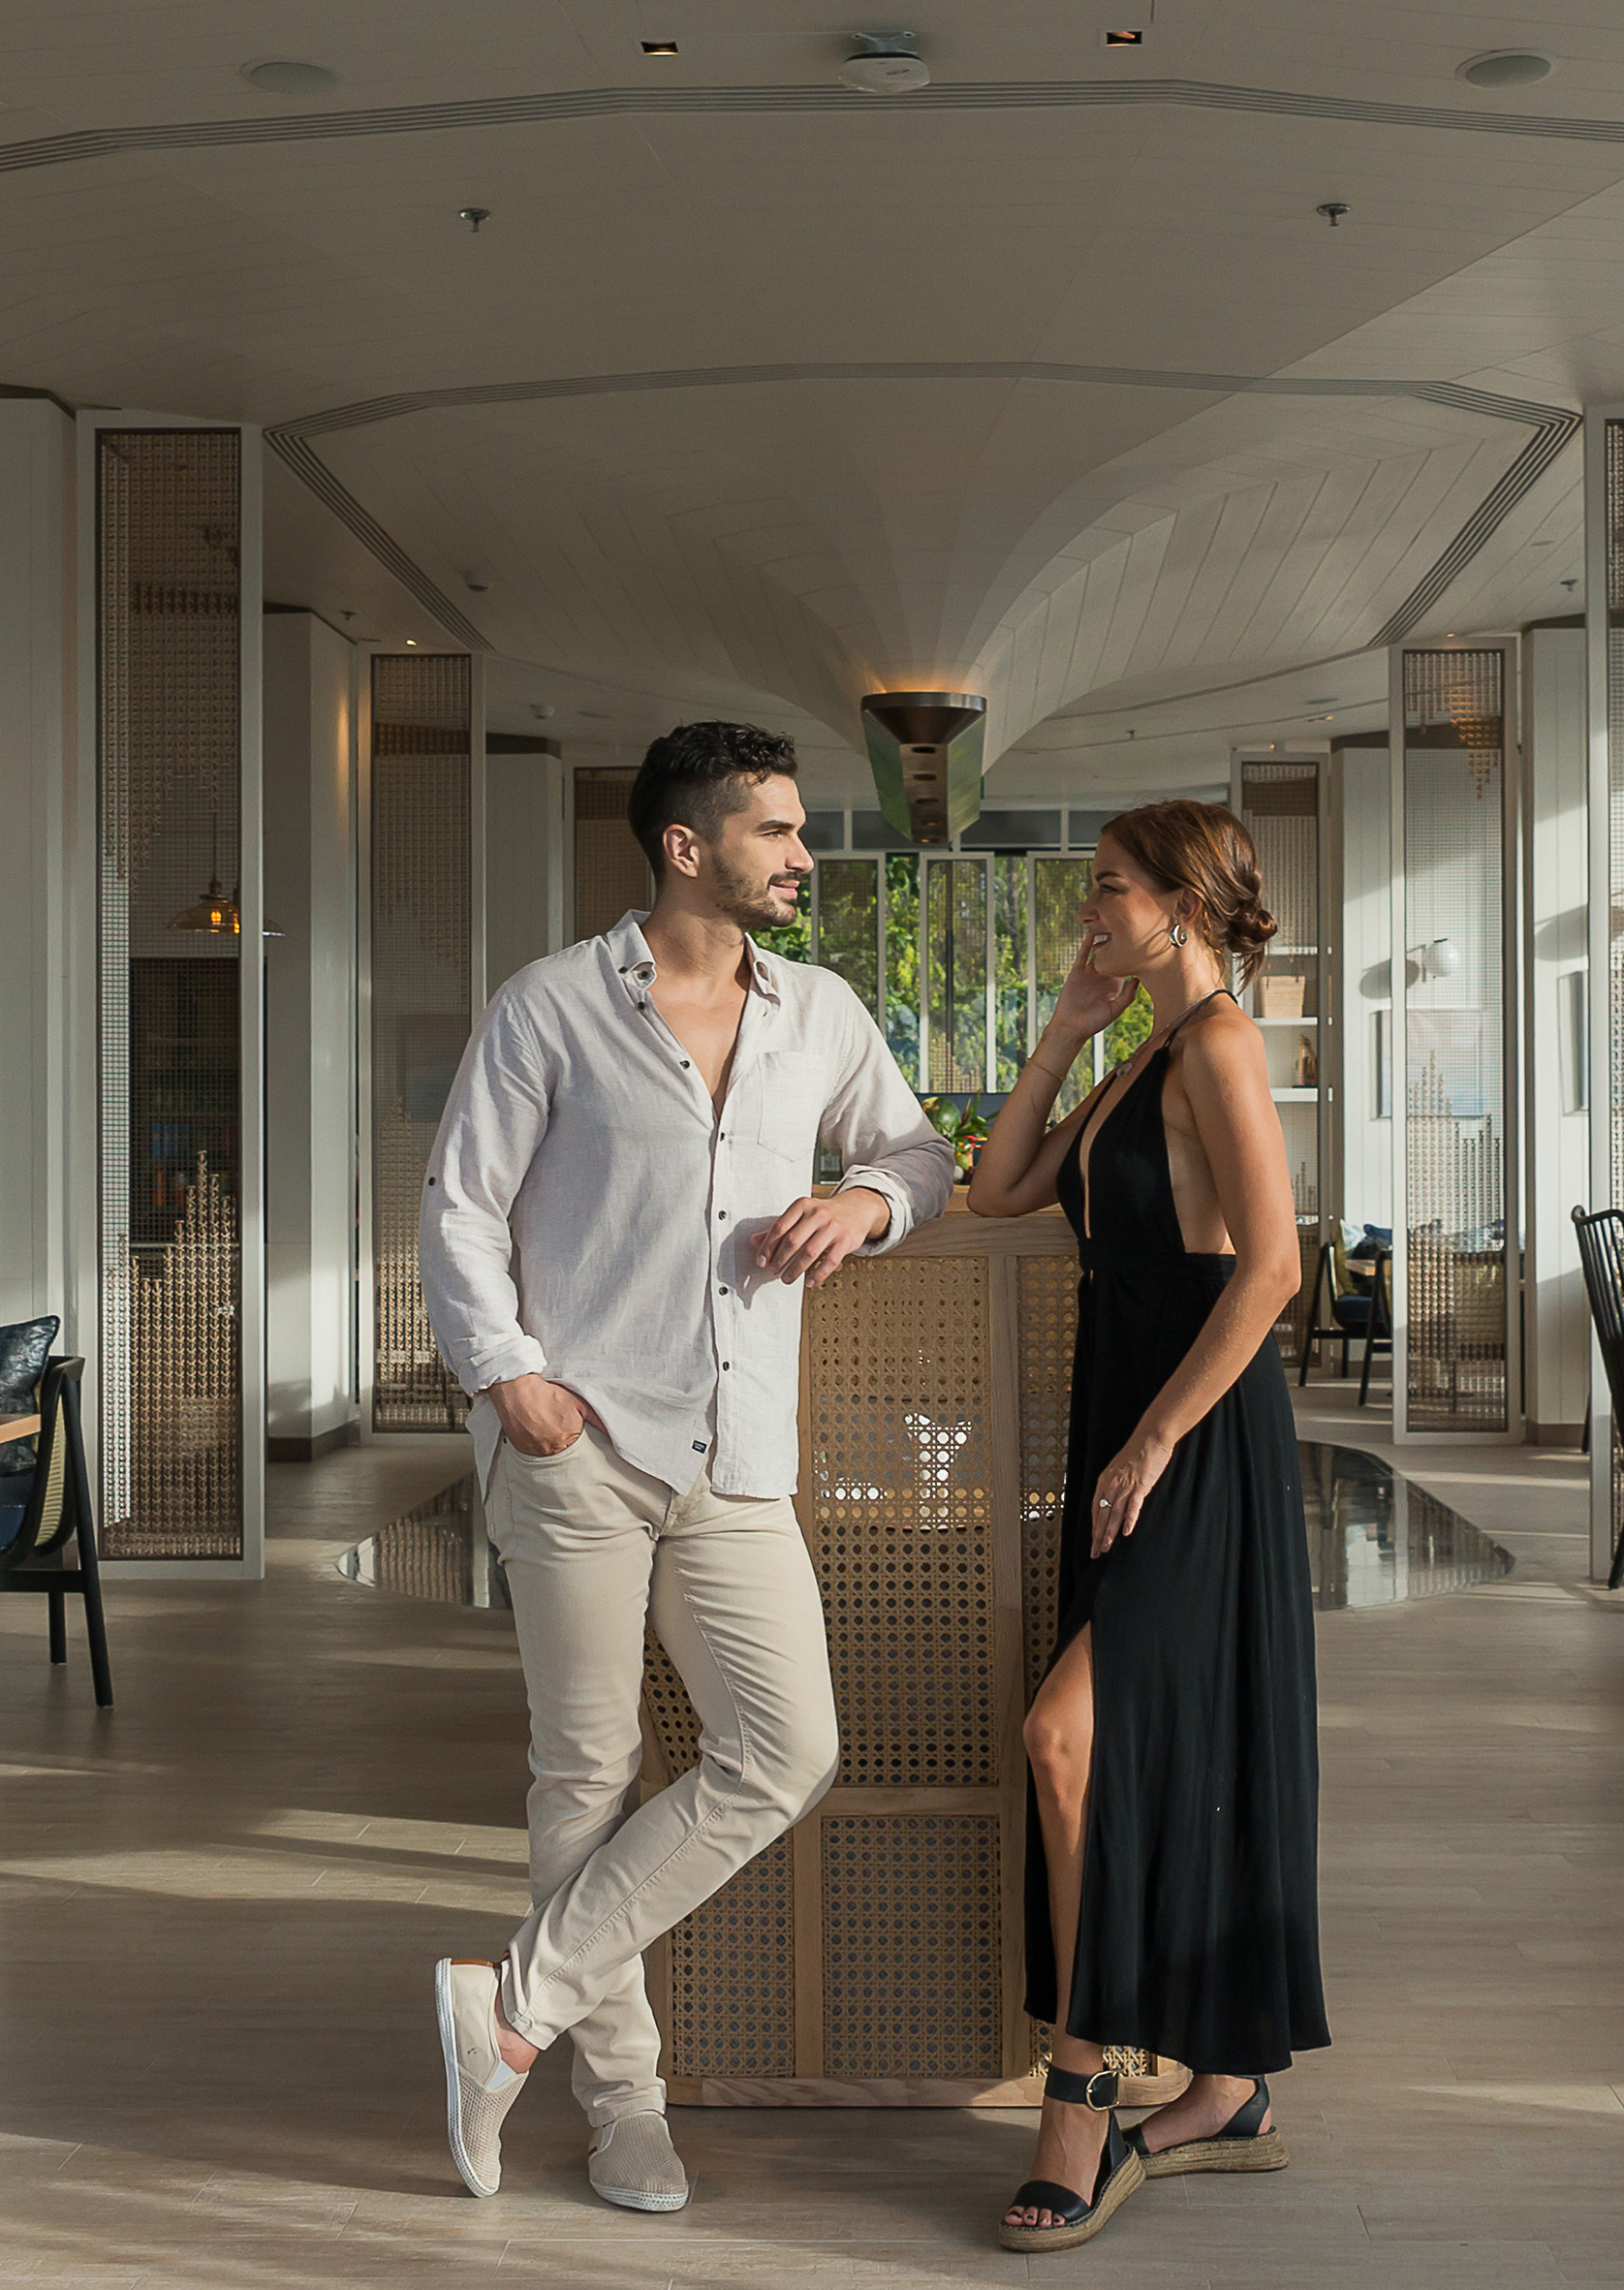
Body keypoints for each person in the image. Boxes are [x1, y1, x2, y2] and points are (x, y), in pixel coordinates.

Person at [416, 720, 953, 2212]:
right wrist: (508, 1373)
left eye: (796, 829)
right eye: (775, 830)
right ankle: (621, 2110)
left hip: (740, 1456)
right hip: (578, 1443)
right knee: (583, 1775)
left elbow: (919, 1155)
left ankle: (508, 2007)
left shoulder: (821, 1013)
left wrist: (866, 1204)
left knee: (786, 1748)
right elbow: (460, 1208)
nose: (801, 855)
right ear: (686, 846)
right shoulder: (549, 1010)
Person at [964, 799, 1328, 2252]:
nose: (1090, 909)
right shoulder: (1148, 1056)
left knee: (1070, 1737)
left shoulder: (1224, 1044)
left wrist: (1158, 1440)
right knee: (1160, 1745)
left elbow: (1277, 1266)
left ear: (1183, 900)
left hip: (1191, 1439)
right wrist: (1063, 1025)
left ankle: (1083, 2089)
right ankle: (1225, 2088)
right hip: (1136, 1435)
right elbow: (996, 1190)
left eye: (1108, 889)